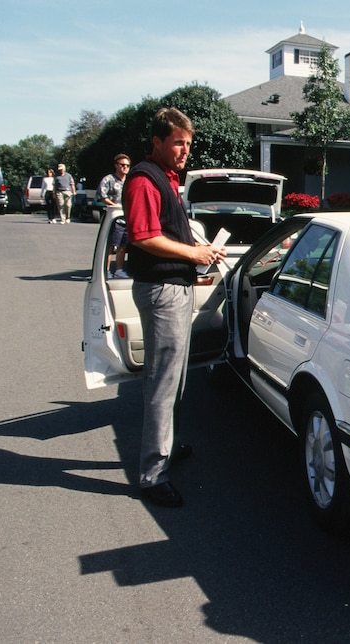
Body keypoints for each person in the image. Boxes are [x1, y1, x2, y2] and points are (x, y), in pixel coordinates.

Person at [123, 107, 226, 508]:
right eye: (177, 143)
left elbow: (165, 233)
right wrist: (195, 253)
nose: (184, 151)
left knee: (177, 379)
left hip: (175, 287)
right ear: (157, 142)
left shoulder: (166, 178)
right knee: (162, 384)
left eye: (188, 143)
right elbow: (144, 237)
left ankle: (168, 446)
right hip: (161, 292)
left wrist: (198, 258)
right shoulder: (144, 180)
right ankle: (152, 475)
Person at [98, 154, 131, 278]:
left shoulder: (129, 180)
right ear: (116, 165)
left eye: (127, 165)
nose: (125, 167)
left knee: (123, 245)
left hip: (127, 218)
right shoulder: (108, 179)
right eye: (122, 165)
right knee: (111, 245)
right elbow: (102, 196)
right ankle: (106, 270)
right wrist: (115, 206)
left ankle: (119, 270)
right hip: (113, 217)